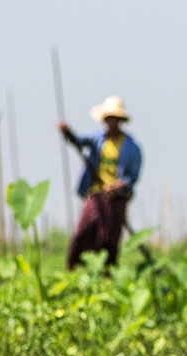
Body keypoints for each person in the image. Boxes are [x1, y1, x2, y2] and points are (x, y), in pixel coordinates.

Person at [58, 96, 142, 270]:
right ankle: (72, 268)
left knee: (109, 238)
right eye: (108, 118)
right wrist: (67, 132)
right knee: (84, 231)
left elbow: (132, 177)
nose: (111, 122)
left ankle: (107, 273)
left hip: (116, 198)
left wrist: (117, 185)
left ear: (120, 121)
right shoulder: (97, 138)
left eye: (115, 118)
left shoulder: (132, 147)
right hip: (96, 193)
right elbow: (78, 142)